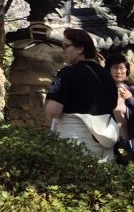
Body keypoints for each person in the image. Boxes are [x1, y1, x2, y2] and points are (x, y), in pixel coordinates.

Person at [44, 27, 120, 159]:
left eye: (66, 46)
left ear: (80, 49)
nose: (63, 51)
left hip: (75, 144)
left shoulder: (67, 73)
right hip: (104, 146)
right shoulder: (107, 76)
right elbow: (113, 106)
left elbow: (53, 111)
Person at [104, 47, 134, 165]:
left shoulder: (131, 92)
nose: (119, 71)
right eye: (115, 68)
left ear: (127, 70)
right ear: (109, 70)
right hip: (110, 145)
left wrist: (130, 99)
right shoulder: (103, 93)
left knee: (131, 170)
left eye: (122, 68)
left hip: (131, 145)